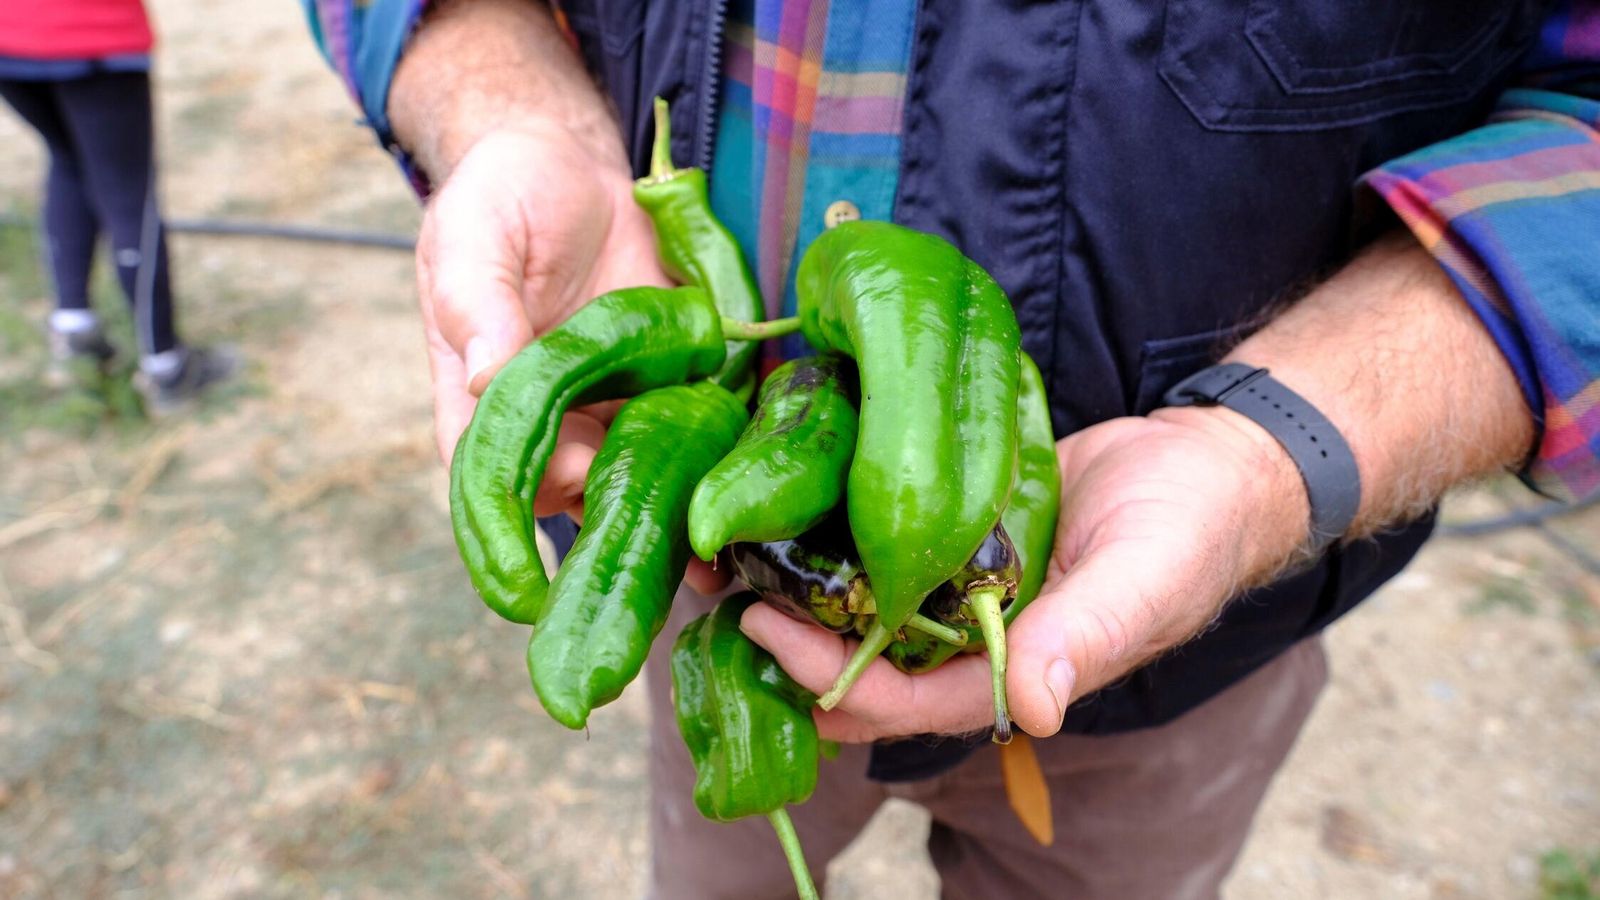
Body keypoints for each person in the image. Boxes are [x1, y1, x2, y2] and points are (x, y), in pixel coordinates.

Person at [304, 1, 1599, 897]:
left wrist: (1283, 447)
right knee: (730, 850)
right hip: (724, 610)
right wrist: (515, 110)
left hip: (1186, 661)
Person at [0, 0, 234, 413]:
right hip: (89, 34)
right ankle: (167, 368)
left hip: (12, 37)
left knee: (68, 159)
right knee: (129, 197)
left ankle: (75, 333)